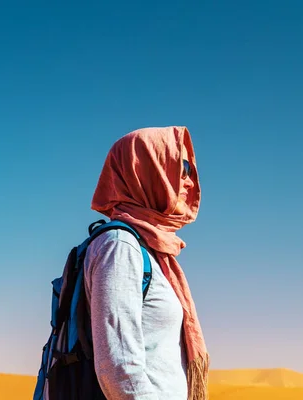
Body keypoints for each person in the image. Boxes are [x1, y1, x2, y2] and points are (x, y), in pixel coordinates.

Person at [83, 126, 210, 400]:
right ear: (147, 169)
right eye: (182, 167)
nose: (190, 181)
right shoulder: (120, 246)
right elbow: (118, 369)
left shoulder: (152, 250)